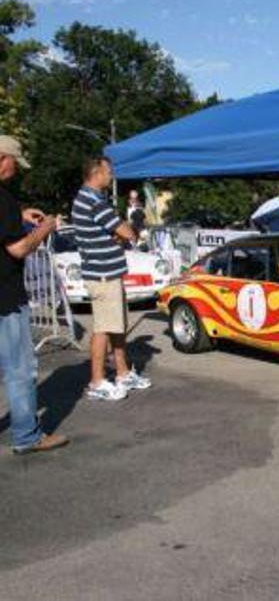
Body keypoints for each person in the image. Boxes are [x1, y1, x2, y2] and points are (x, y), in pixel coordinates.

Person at [0, 135, 69, 454]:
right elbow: (18, 248)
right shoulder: (3, 198)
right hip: (6, 297)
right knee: (20, 369)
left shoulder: (7, 204)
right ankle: (27, 436)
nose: (16, 169)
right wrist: (45, 228)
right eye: (15, 162)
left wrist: (20, 214)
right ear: (3, 159)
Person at [71, 156, 152, 401]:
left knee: (117, 325)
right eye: (108, 172)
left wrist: (120, 233)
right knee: (103, 328)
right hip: (103, 274)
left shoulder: (89, 199)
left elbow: (116, 233)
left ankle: (122, 372)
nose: (111, 175)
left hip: (107, 273)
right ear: (96, 173)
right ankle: (97, 381)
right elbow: (127, 232)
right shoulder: (94, 202)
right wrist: (128, 229)